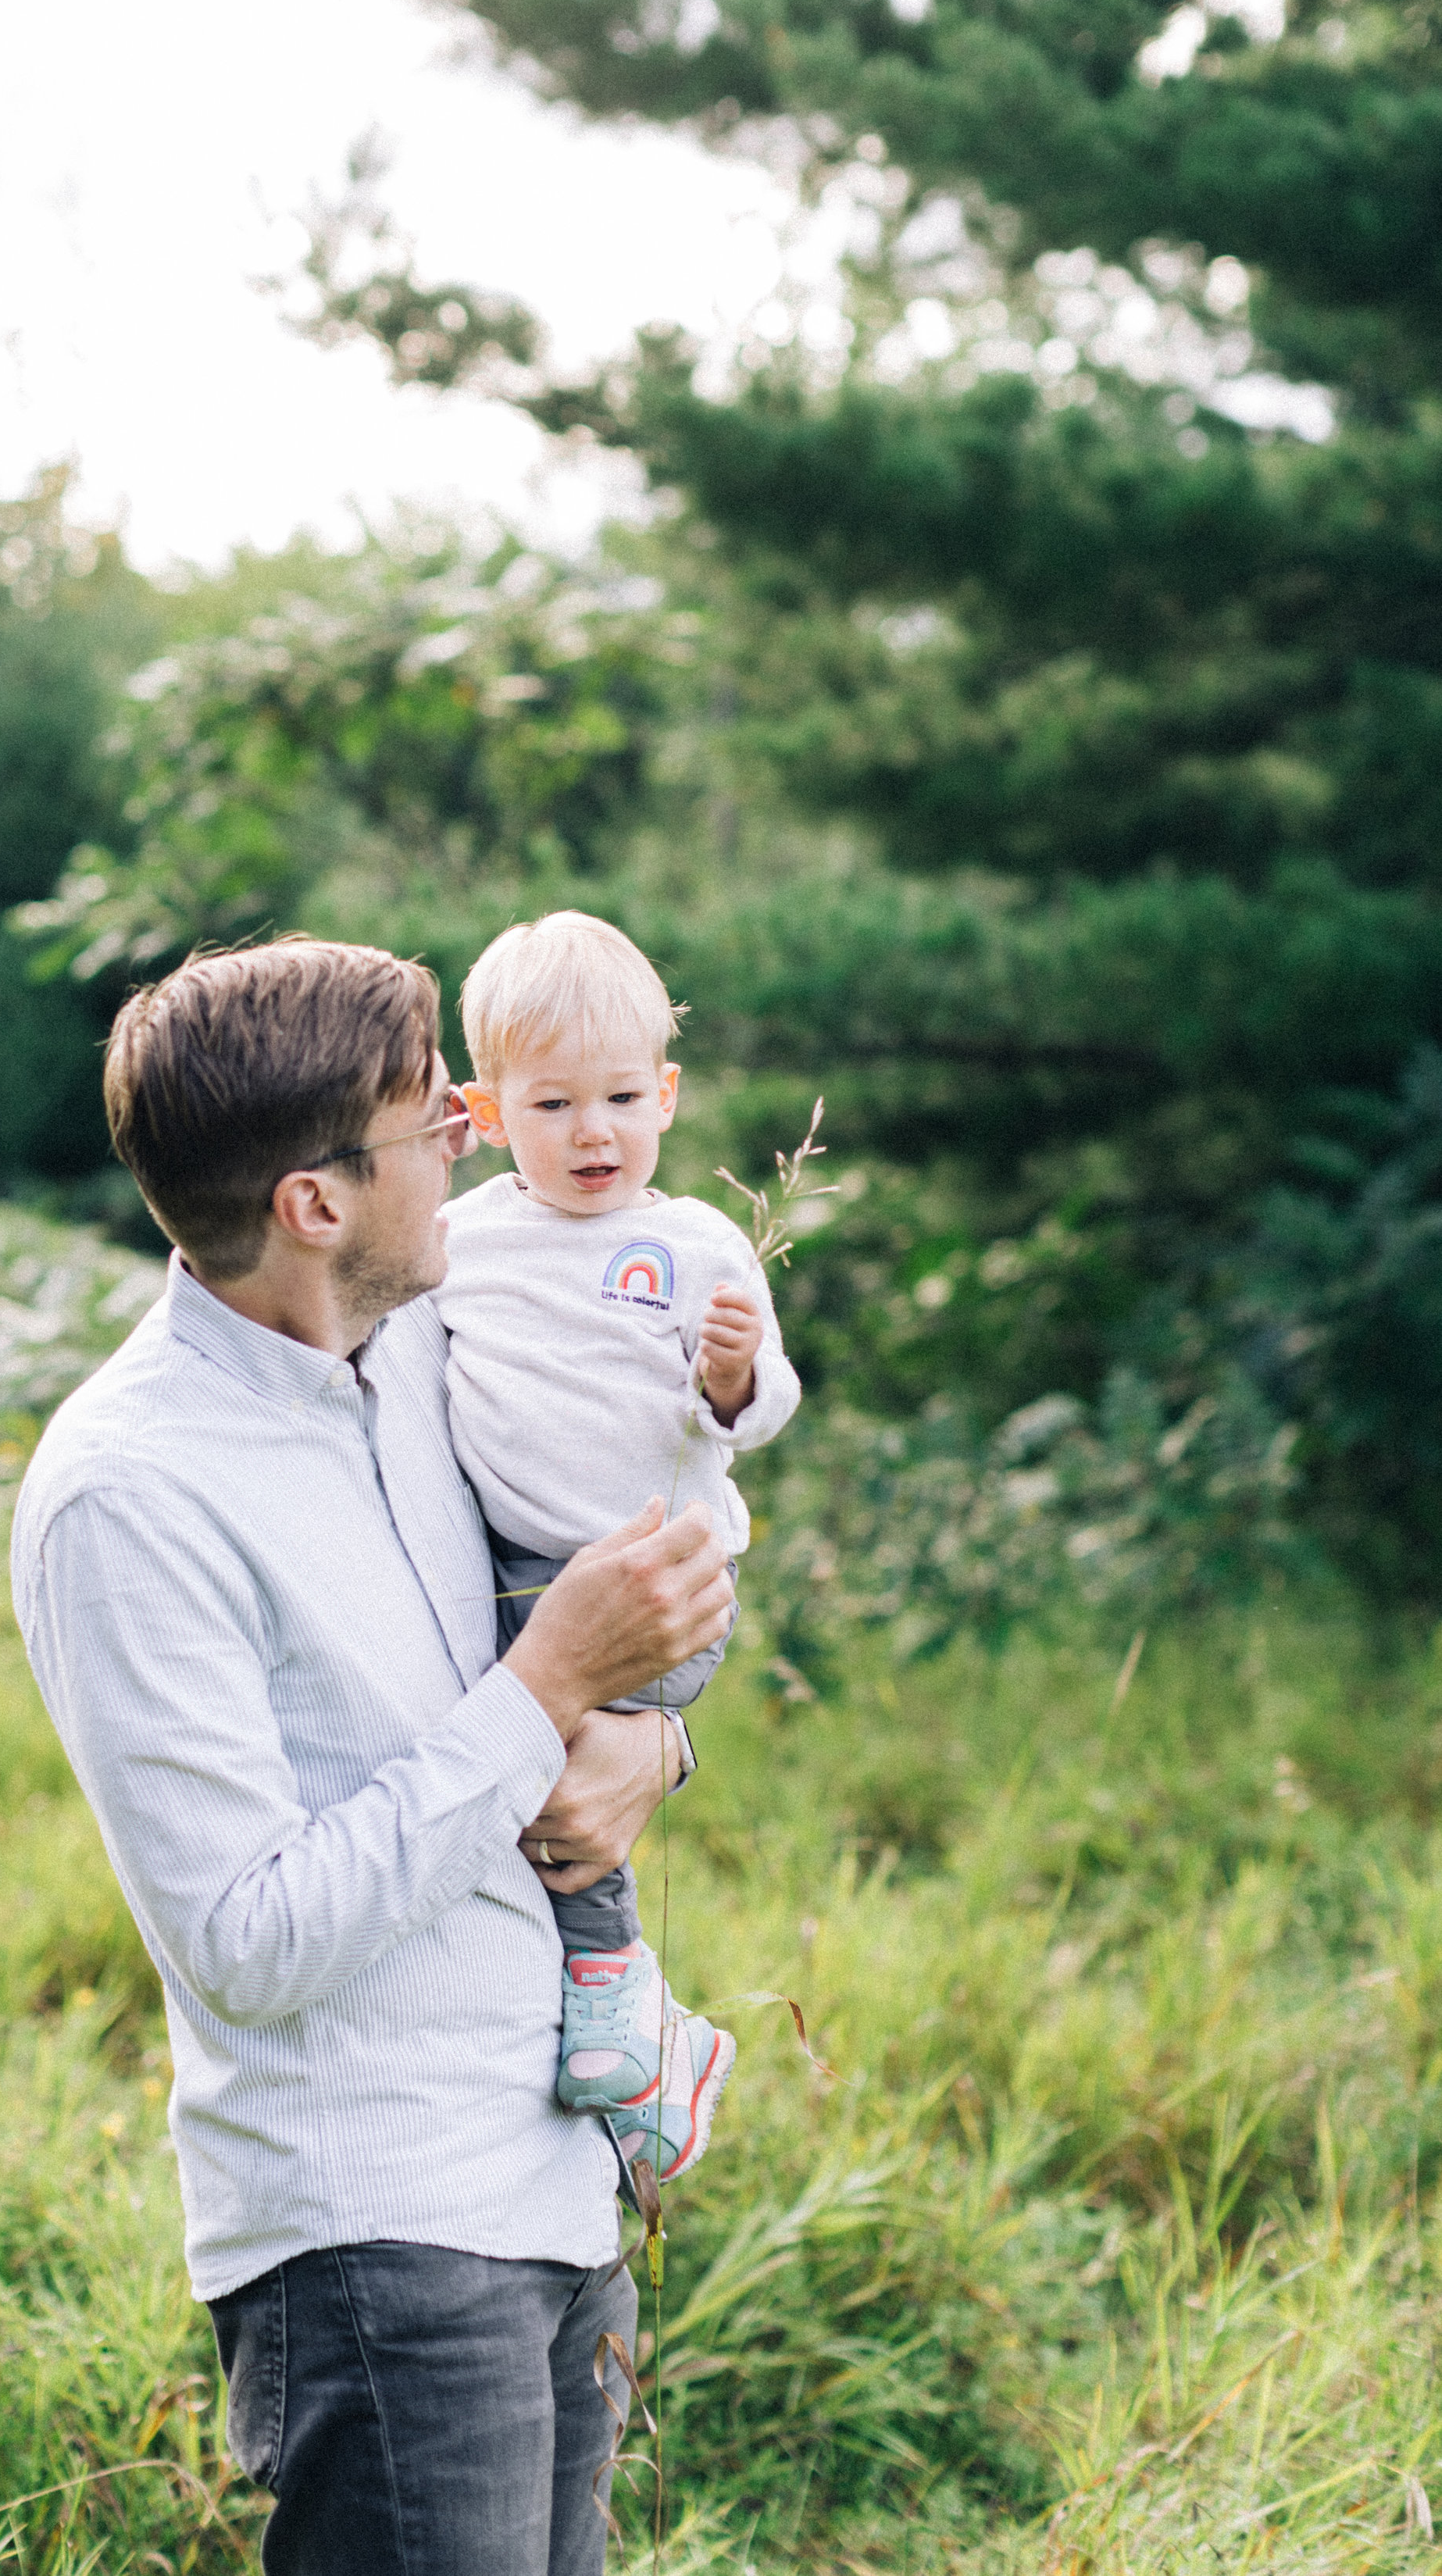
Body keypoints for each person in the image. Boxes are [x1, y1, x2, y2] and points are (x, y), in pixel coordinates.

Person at [10, 937, 733, 2576]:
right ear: (312, 1203)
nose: (474, 1142)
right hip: (380, 2238)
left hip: (550, 2172)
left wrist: (650, 1737)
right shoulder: (127, 1492)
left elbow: (608, 1609)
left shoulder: (422, 1351)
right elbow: (246, 1943)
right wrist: (546, 1685)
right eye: (432, 1126)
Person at [441, 912, 801, 2185]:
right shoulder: (464, 1240)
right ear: (483, 1113)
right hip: (512, 1580)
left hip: (662, 1584)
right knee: (491, 1776)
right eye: (553, 1104)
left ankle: (613, 1991)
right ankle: (627, 2022)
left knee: (549, 1774)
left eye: (624, 1097)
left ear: (670, 1094)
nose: (595, 1131)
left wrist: (734, 1370)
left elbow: (763, 1409)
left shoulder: (694, 1241)